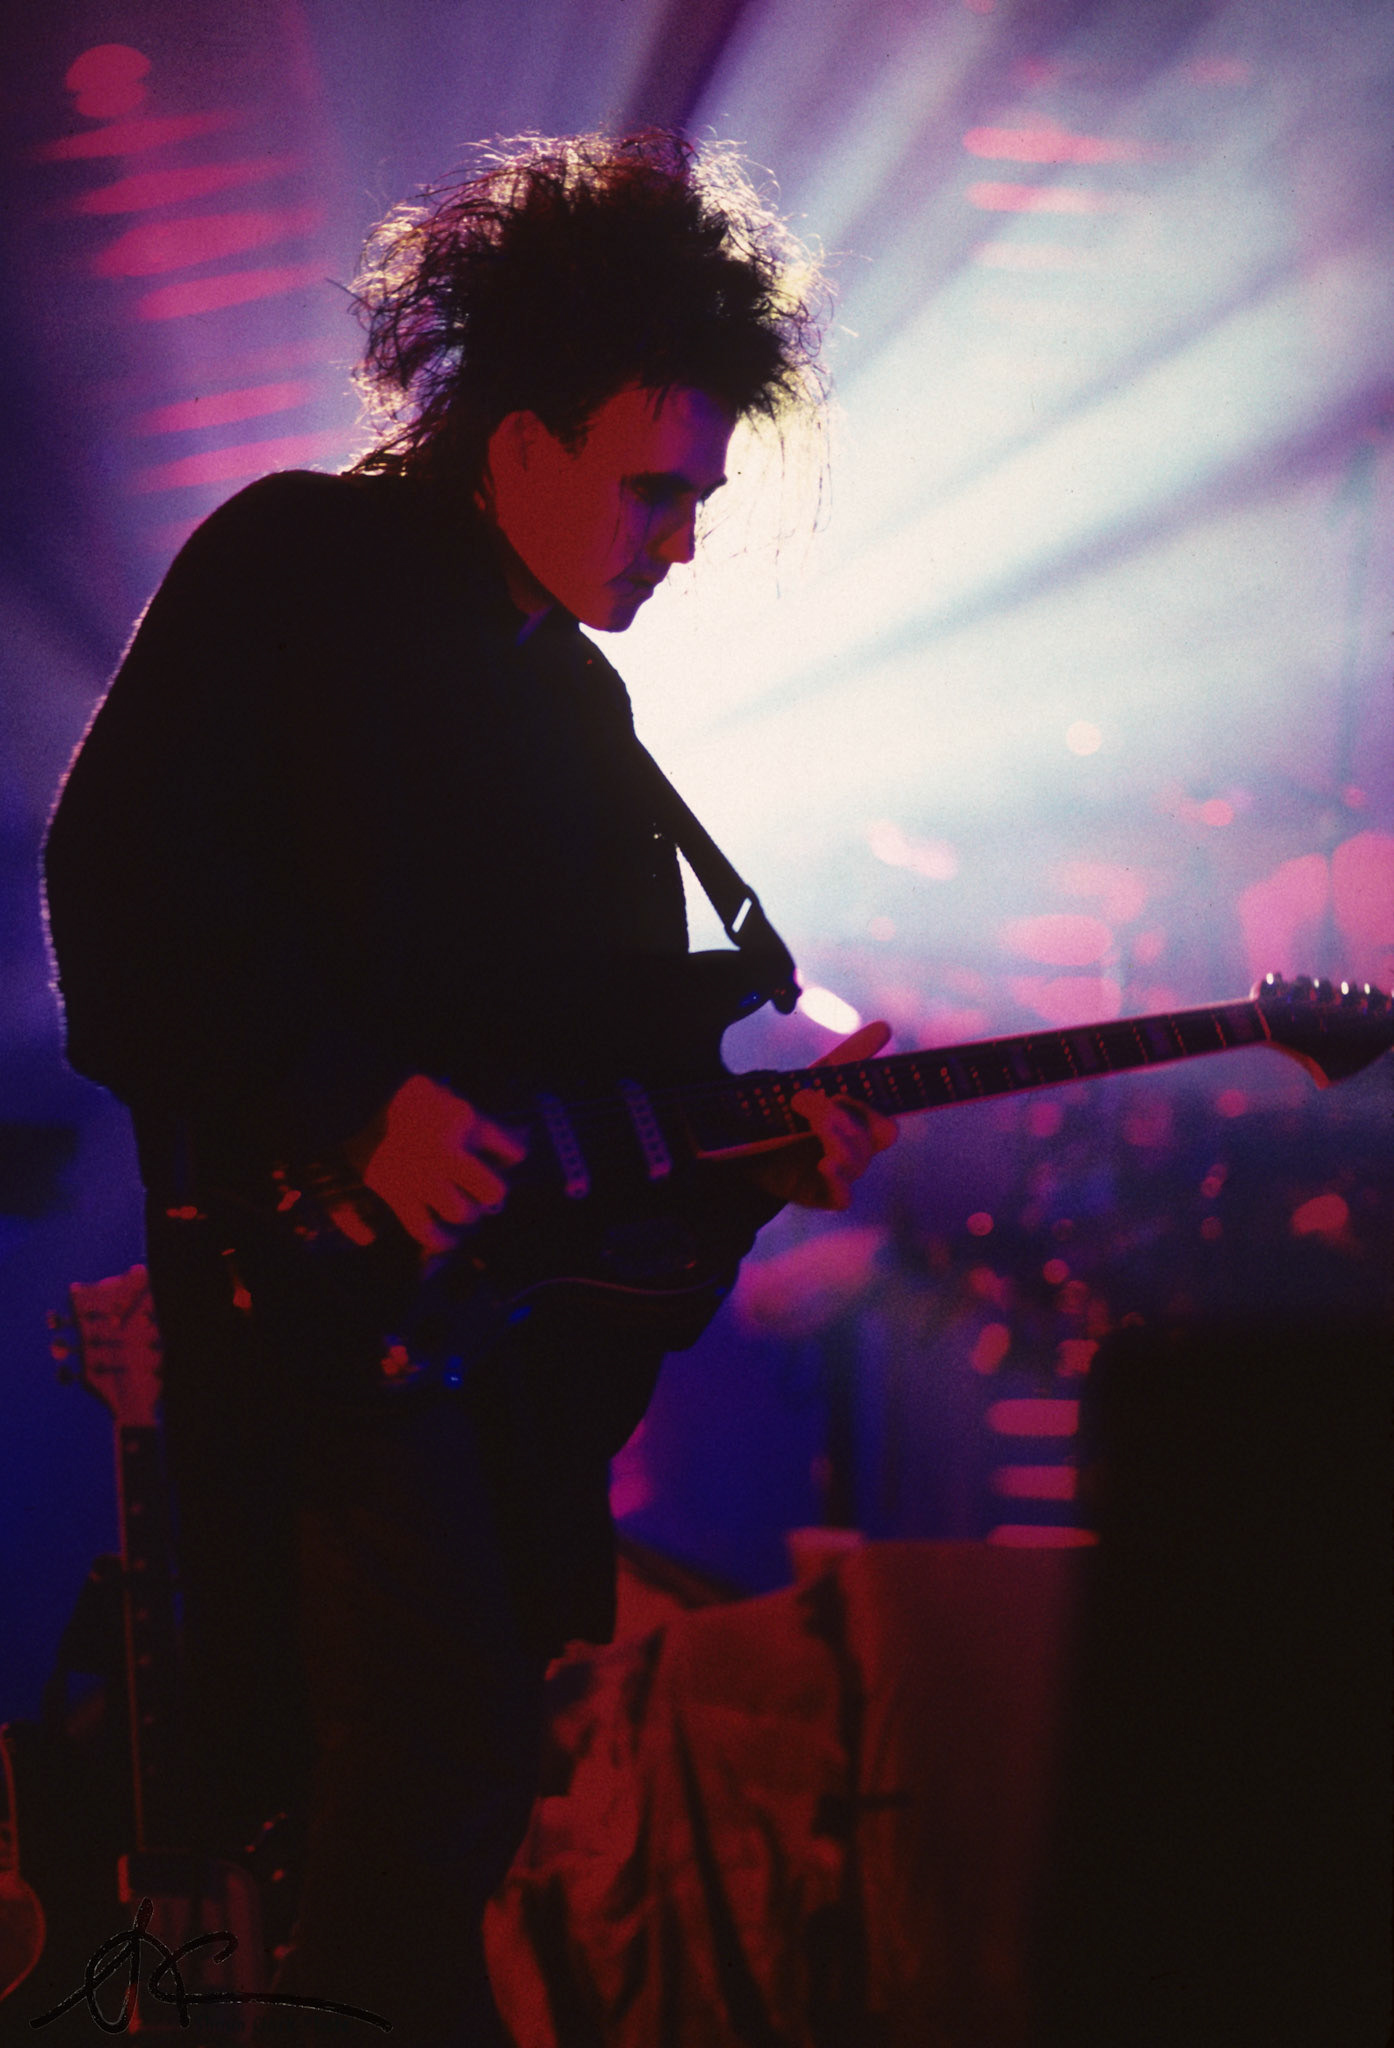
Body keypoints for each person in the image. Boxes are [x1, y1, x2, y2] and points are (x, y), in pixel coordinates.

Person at [43, 130, 895, 2044]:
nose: (679, 539)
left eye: (696, 498)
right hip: (313, 1327)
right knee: (423, 1766)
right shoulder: (295, 562)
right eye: (652, 489)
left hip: (468, 1367)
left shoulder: (575, 714)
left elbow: (606, 1108)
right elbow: (115, 880)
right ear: (513, 439)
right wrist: (345, 1102)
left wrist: (771, 1146)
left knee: (438, 1787)